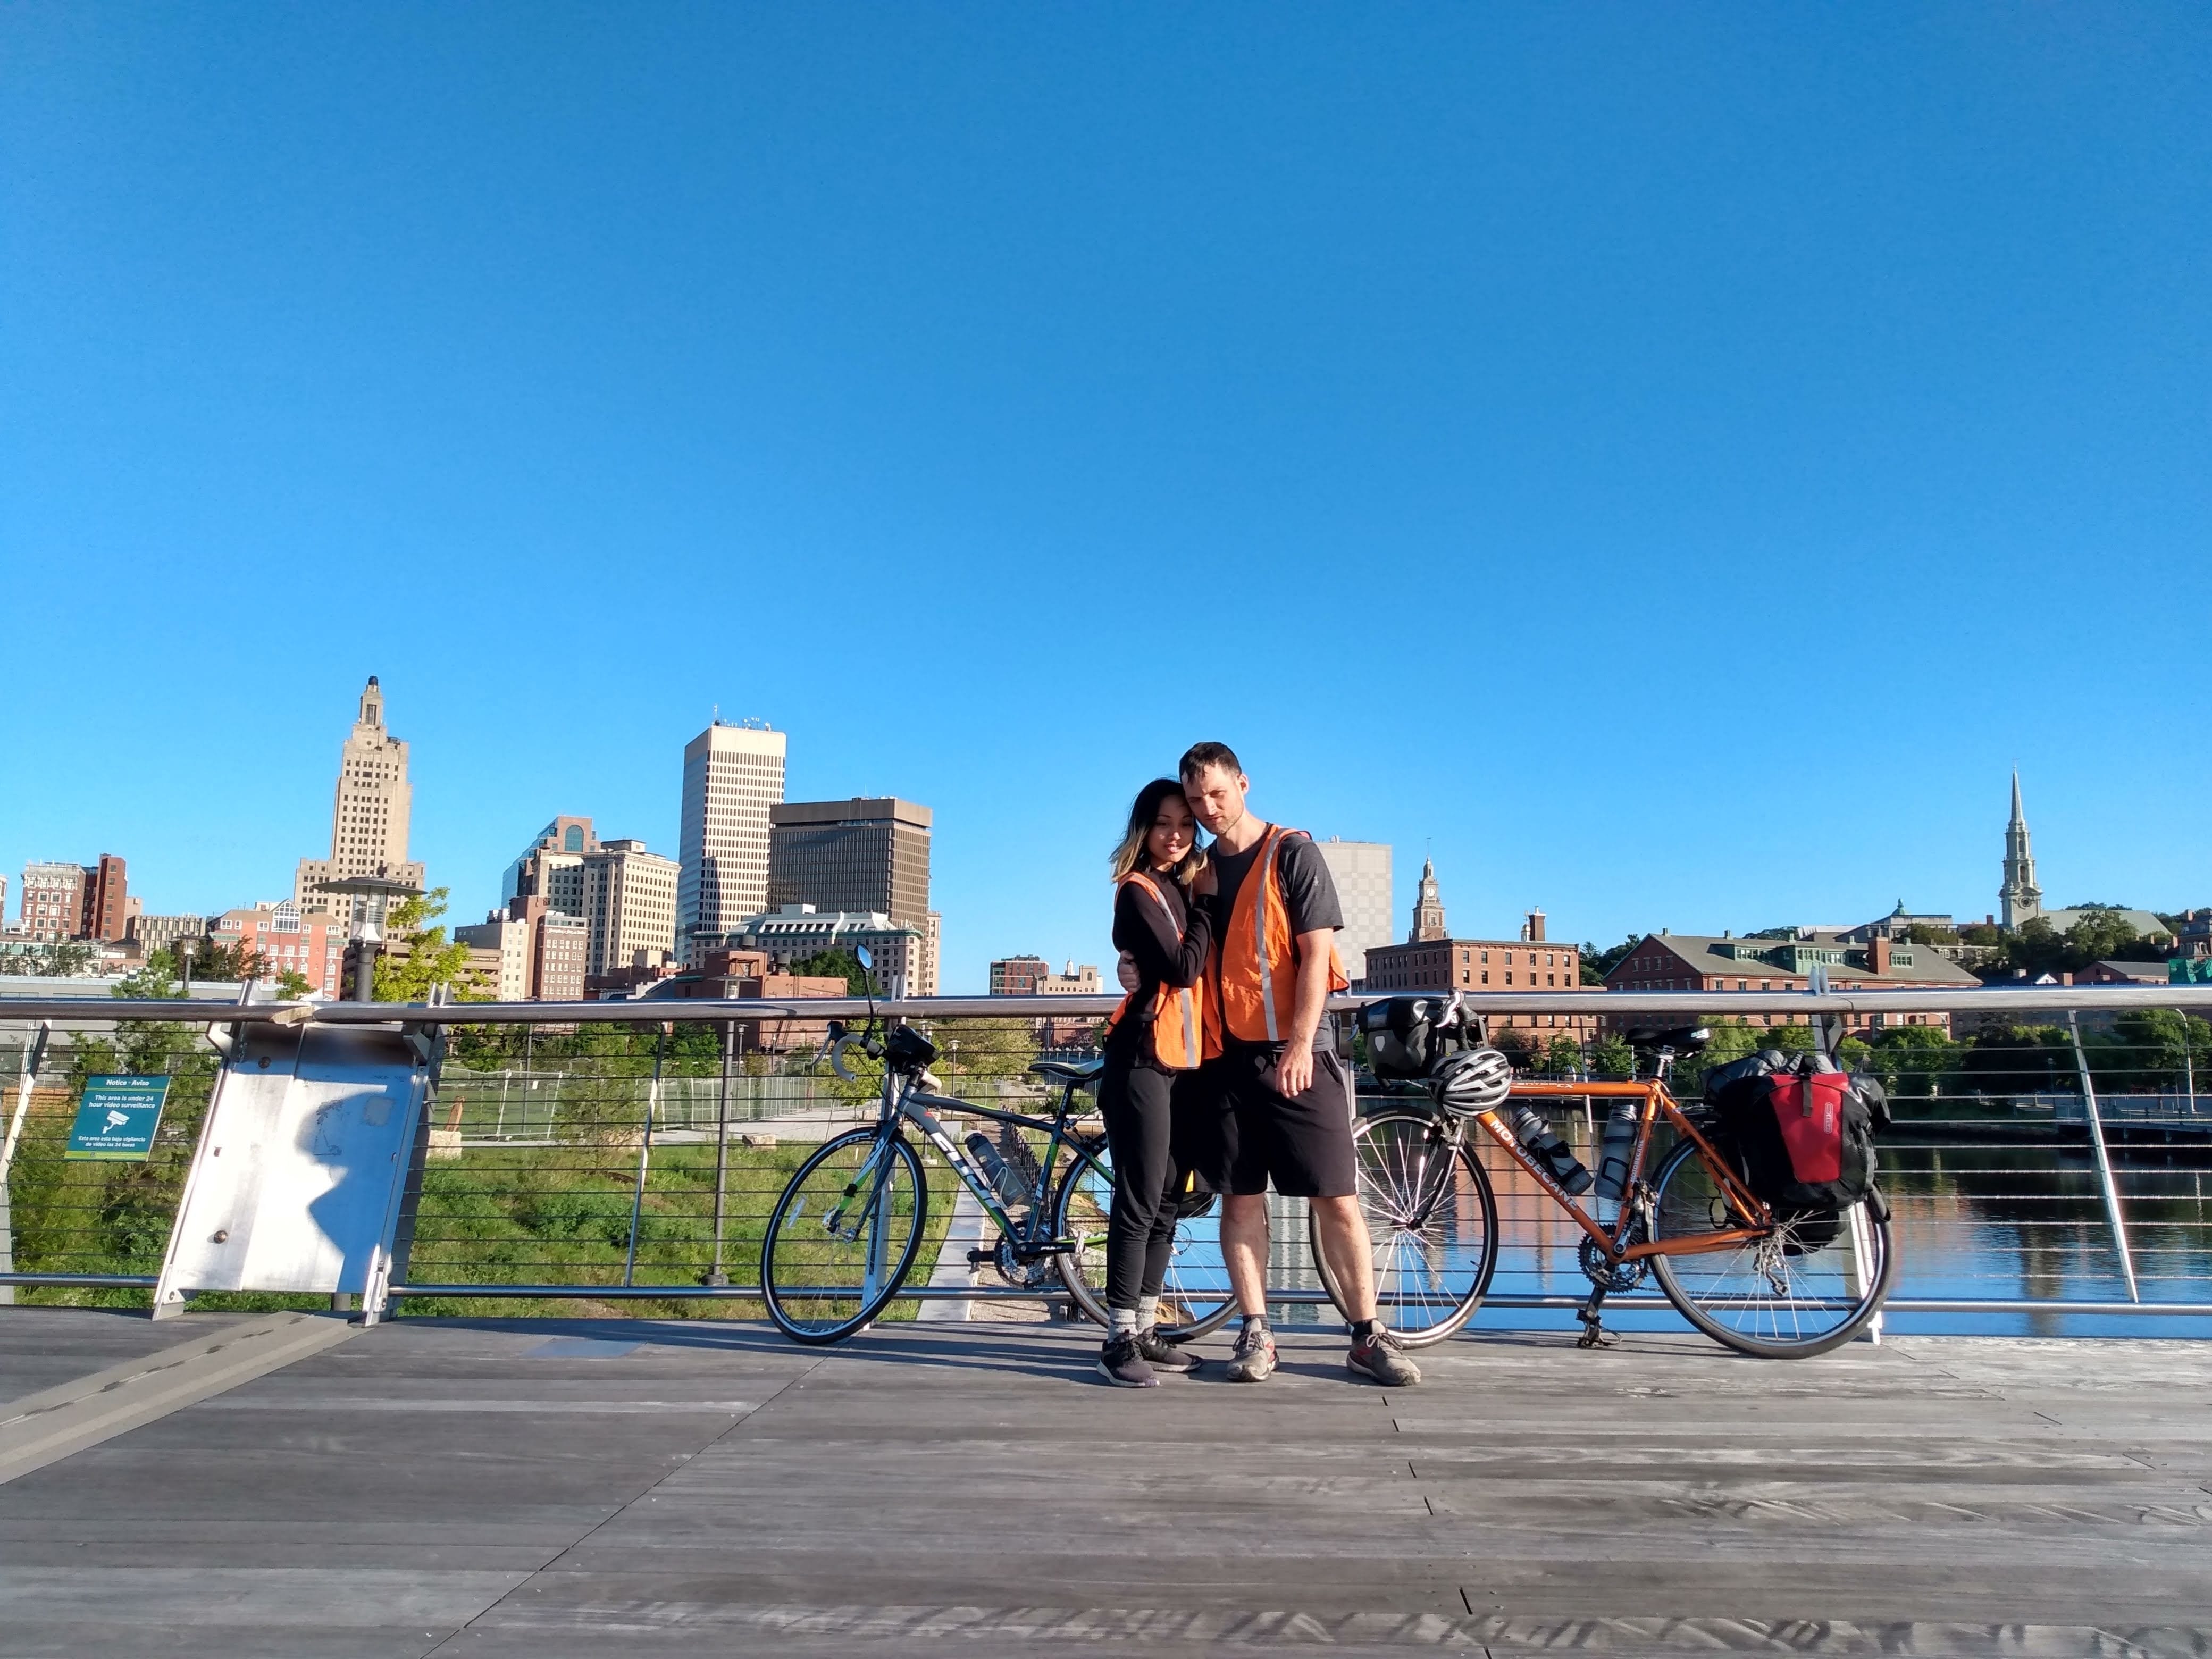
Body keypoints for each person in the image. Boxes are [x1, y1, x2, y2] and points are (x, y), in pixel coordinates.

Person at [1173, 741, 1421, 1386]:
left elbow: (1315, 957)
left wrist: (1298, 1046)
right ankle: (1256, 1333)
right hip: (1225, 1060)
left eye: (1217, 794)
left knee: (1336, 1200)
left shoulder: (1291, 853)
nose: (1207, 809)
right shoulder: (1198, 869)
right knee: (1239, 1200)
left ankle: (1366, 1335)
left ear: (1243, 784)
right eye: (1196, 800)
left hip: (1298, 1056)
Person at [1093, 778, 1216, 1387]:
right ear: (1143, 828)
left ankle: (1144, 1326)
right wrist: (1208, 909)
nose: (1175, 835)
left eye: (1185, 826)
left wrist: (1198, 903)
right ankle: (1117, 1339)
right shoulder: (1137, 891)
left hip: (1181, 1061)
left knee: (1169, 1199)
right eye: (1164, 823)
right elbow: (1181, 967)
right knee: (1138, 1199)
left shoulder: (1178, 887)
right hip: (1140, 1058)